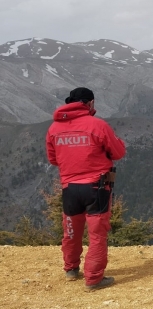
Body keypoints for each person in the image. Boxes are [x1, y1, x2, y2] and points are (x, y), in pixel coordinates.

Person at [46, 87, 126, 291]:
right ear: (90, 103)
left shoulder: (54, 128)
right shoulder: (98, 125)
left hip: (69, 188)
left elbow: (53, 159)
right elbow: (118, 152)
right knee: (97, 235)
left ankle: (71, 269)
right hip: (96, 188)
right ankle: (93, 279)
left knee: (71, 231)